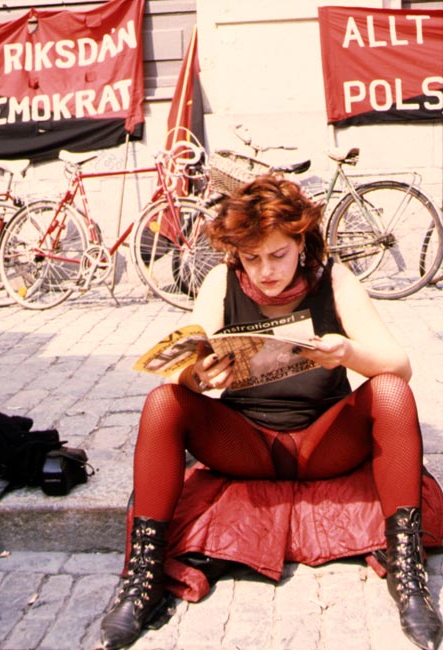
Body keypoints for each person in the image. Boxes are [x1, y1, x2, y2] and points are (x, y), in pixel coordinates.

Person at [100, 175, 443, 650]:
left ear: (301, 242)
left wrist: (348, 353)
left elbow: (400, 366)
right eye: (251, 257)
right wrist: (199, 377)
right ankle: (143, 579)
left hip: (325, 443)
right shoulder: (222, 280)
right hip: (247, 444)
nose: (265, 271)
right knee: (163, 402)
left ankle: (408, 578)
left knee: (390, 393)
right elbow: (177, 367)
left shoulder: (333, 278)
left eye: (278, 255)